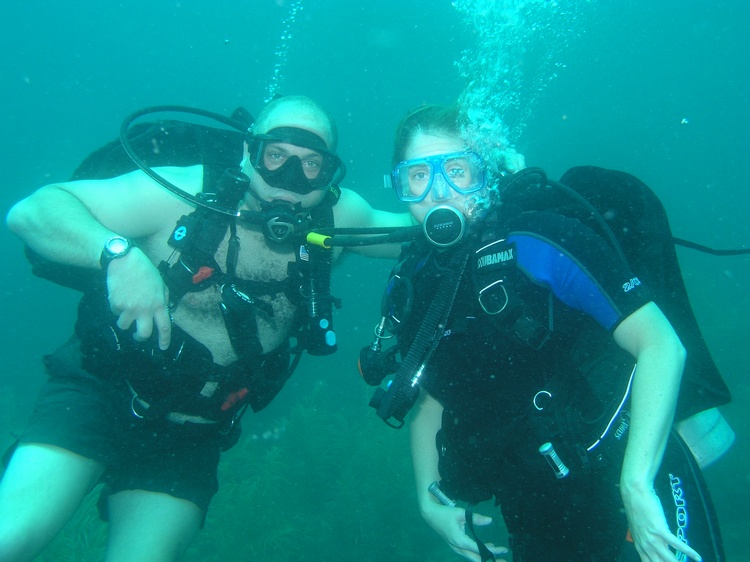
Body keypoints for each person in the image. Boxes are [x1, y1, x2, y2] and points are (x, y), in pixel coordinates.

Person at [0, 95, 411, 561]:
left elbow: (418, 233)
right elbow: (34, 211)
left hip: (192, 435)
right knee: (13, 537)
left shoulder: (335, 220)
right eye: (276, 155)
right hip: (101, 392)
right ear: (248, 152)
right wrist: (118, 254)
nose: (289, 180)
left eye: (311, 163)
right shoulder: (180, 195)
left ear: (330, 174)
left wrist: (478, 195)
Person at [364, 104, 728, 562]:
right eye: (418, 176)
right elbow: (432, 394)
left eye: (457, 170)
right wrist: (427, 498)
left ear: (486, 173)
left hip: (632, 463)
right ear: (400, 185)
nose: (439, 192)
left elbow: (660, 344)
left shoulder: (541, 240)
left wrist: (635, 486)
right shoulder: (416, 276)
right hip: (533, 500)